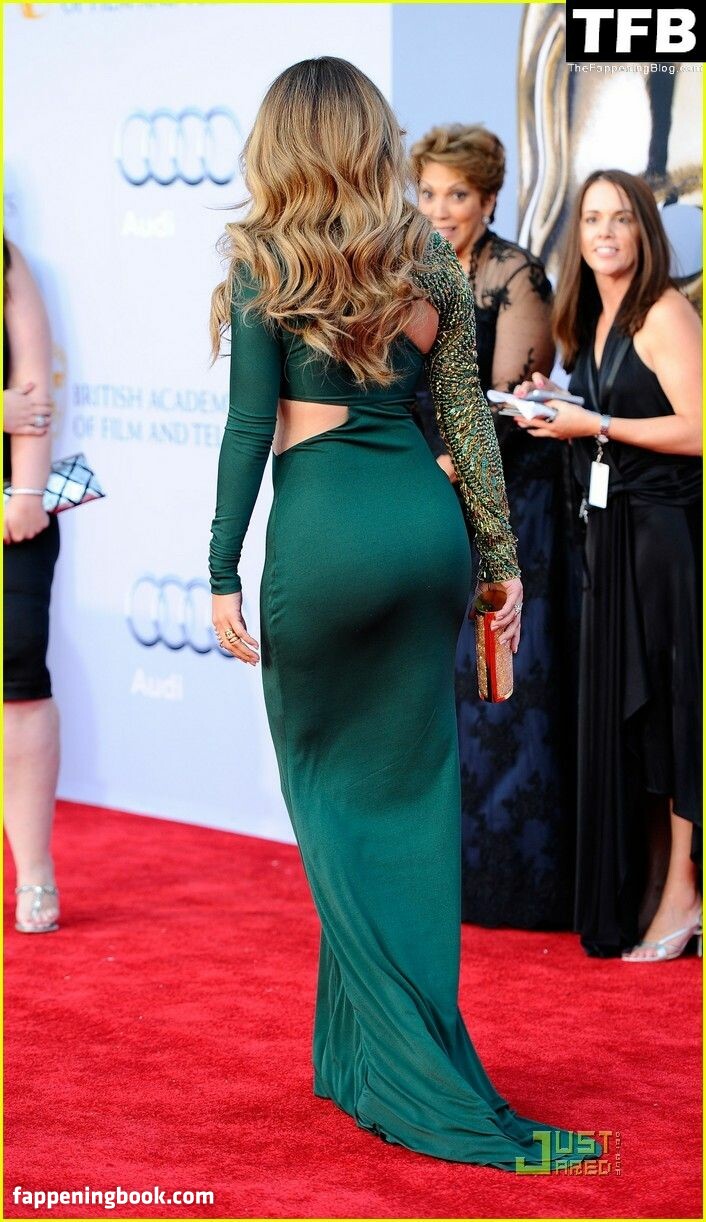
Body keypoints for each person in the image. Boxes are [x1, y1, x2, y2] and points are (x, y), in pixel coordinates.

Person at [207, 57, 601, 1168]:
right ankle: (357, 1062)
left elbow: (250, 431)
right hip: (426, 542)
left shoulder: (265, 255)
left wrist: (221, 566)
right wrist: (499, 561)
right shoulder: (426, 251)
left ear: (282, 142)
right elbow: (465, 416)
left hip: (326, 543)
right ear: (374, 138)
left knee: (332, 810)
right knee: (414, 808)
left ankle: (415, 1078)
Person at [514, 170, 702, 960]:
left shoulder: (664, 311)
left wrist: (594, 423)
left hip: (665, 538)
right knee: (637, 719)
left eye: (621, 218)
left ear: (644, 231)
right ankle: (653, 882)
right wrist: (555, 403)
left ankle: (684, 892)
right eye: (592, 219)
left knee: (675, 714)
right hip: (612, 538)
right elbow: (607, 414)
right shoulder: (590, 318)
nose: (605, 232)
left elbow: (698, 428)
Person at [409, 124, 579, 929]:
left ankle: (519, 885)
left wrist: (442, 472)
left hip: (509, 504)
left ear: (489, 200)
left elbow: (509, 403)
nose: (441, 210)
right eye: (429, 193)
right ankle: (449, 876)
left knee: (510, 683)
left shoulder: (516, 274)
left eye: (458, 195)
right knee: (444, 688)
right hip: (428, 496)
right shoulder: (407, 270)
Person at [3, 236, 61, 933]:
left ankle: (35, 874)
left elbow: (33, 388)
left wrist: (26, 493)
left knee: (20, 684)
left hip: (12, 515)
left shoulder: (7, 260)